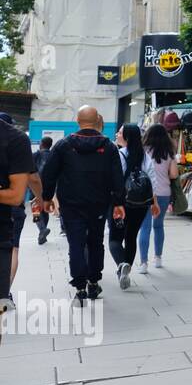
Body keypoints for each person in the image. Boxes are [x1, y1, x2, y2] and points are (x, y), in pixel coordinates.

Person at [37, 106, 125, 304]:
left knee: (75, 244)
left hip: (71, 205)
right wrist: (119, 202)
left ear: (77, 120)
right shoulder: (109, 147)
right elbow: (117, 177)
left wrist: (47, 197)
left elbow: (49, 174)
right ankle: (93, 282)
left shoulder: (63, 145)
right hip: (99, 205)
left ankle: (79, 288)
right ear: (96, 121)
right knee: (95, 242)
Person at [108, 124, 154, 290]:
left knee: (114, 238)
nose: (117, 134)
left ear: (126, 137)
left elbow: (114, 179)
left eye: (120, 132)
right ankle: (125, 270)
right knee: (131, 237)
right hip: (140, 205)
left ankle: (121, 265)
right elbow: (152, 181)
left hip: (121, 203)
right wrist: (153, 204)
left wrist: (113, 202)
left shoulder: (119, 154)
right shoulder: (146, 157)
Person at [0, 115, 40, 294]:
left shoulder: (15, 139)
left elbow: (16, 195)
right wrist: (42, 198)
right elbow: (33, 179)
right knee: (15, 248)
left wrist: (42, 198)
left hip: (4, 225)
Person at [137, 123, 178, 274]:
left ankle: (143, 263)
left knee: (145, 227)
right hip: (163, 192)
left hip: (145, 193)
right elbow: (174, 174)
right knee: (158, 226)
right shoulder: (169, 152)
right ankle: (158, 258)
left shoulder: (142, 151)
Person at [32, 137, 53, 244]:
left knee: (35, 210)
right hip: (49, 187)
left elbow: (29, 169)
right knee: (45, 210)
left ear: (41, 144)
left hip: (36, 186)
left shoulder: (36, 155)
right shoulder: (53, 155)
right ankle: (42, 234)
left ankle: (42, 230)